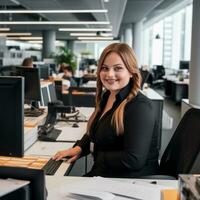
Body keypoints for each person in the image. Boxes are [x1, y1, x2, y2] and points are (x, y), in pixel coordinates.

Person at [52, 43, 159, 178]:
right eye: (105, 68)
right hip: (105, 174)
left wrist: (94, 152)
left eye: (118, 68)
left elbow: (134, 160)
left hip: (128, 181)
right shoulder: (108, 95)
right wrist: (79, 148)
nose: (110, 74)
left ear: (131, 72)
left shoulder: (140, 107)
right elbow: (96, 131)